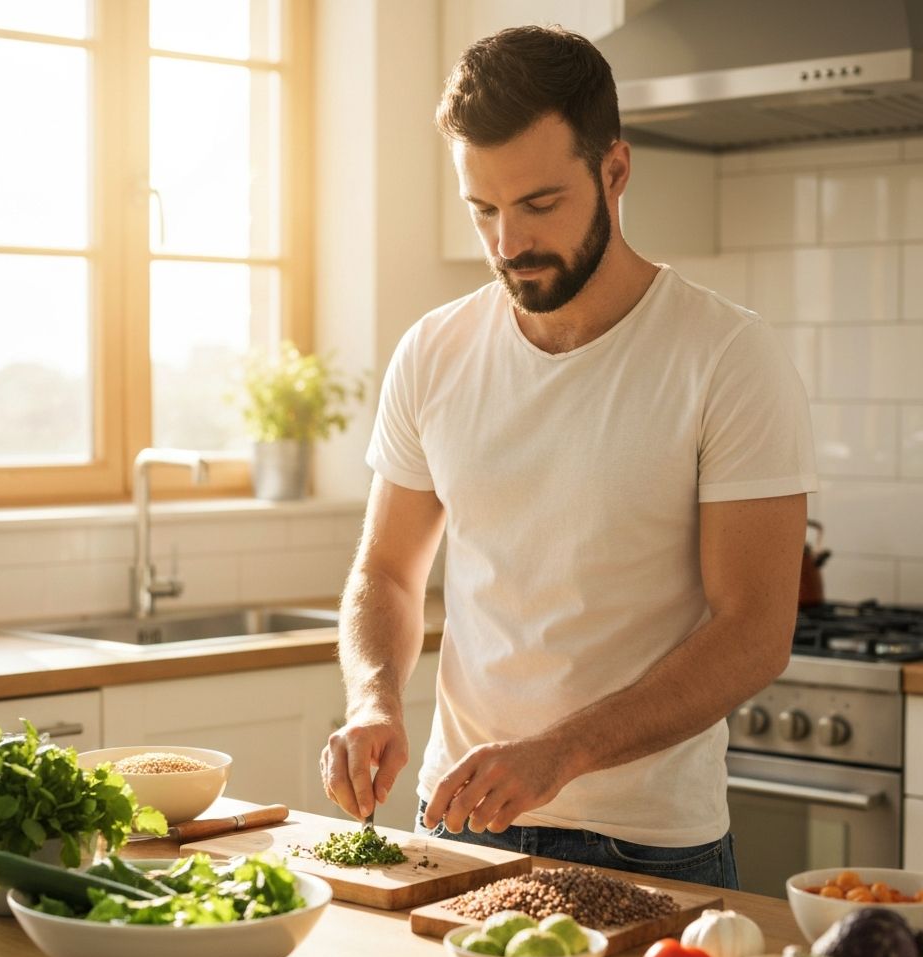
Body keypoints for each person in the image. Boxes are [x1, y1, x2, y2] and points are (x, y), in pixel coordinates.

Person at [318, 24, 817, 888]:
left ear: (615, 171)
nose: (509, 242)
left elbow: (754, 632)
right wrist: (372, 698)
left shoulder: (726, 356)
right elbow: (388, 572)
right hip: (458, 826)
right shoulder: (435, 352)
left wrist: (562, 753)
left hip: (651, 845)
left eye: (540, 204)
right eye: (484, 210)